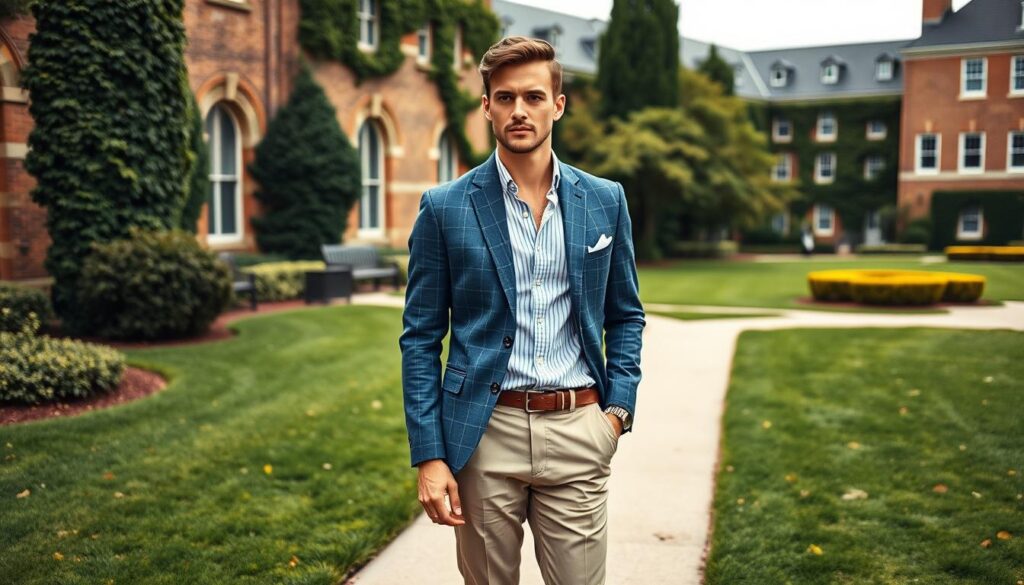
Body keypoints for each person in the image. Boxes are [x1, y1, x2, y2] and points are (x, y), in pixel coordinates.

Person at [400, 36, 645, 585]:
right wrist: (430, 455)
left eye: (534, 97)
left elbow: (625, 314)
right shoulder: (444, 208)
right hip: (483, 435)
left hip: (580, 427)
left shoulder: (605, 200)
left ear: (558, 104)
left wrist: (617, 412)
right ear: (485, 105)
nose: (519, 111)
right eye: (504, 97)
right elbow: (419, 338)